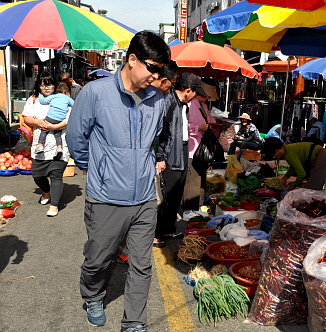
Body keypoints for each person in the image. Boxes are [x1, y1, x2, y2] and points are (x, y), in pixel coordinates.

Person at [66, 31, 170, 332]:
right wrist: (95, 169)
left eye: (160, 71)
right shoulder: (95, 93)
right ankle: (93, 295)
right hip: (106, 198)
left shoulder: (158, 100)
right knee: (99, 259)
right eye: (152, 67)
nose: (155, 75)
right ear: (132, 59)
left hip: (145, 200)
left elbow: (153, 141)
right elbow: (76, 139)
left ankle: (134, 324)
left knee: (141, 265)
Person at [154, 73, 207, 247]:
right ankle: (157, 232)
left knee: (176, 195)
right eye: (195, 92)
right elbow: (160, 133)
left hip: (182, 151)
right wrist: (160, 157)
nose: (196, 96)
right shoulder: (168, 102)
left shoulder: (183, 105)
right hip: (170, 154)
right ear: (188, 90)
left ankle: (169, 228)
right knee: (167, 196)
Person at [22, 71, 71, 217]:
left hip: (59, 145)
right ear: (38, 85)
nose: (46, 87)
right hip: (39, 144)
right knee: (37, 175)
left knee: (56, 176)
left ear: (54, 85)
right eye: (42, 84)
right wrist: (38, 122)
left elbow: (69, 118)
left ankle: (54, 205)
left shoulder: (62, 98)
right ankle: (46, 191)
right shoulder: (33, 99)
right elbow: (26, 117)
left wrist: (53, 127)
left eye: (49, 84)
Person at [183, 77, 221, 215]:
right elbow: (184, 126)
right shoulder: (189, 105)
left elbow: (211, 121)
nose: (208, 99)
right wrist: (200, 127)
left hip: (203, 149)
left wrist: (213, 125)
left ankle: (197, 207)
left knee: (201, 179)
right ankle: (189, 209)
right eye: (207, 96)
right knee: (192, 180)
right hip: (192, 149)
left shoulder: (204, 107)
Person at [261, 137, 326, 190]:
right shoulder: (288, 149)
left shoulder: (289, 154)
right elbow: (293, 167)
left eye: (274, 155)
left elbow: (302, 174)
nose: (275, 157)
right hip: (322, 156)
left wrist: (293, 186)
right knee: (311, 188)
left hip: (323, 158)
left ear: (278, 150)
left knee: (310, 190)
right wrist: (284, 178)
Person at [35, 82, 74, 158]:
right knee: (57, 134)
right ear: (67, 92)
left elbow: (43, 101)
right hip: (60, 119)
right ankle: (59, 148)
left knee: (44, 130)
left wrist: (40, 95)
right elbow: (75, 104)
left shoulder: (53, 96)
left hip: (51, 117)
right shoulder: (68, 98)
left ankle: (40, 145)